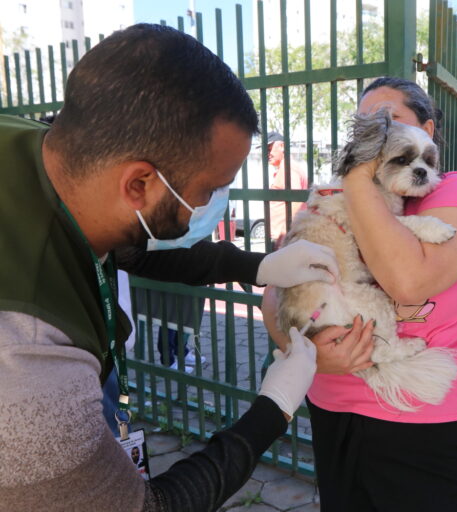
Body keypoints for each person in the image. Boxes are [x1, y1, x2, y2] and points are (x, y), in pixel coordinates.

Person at [0, 23, 341, 511]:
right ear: (138, 183)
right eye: (210, 189)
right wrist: (274, 408)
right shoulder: (27, 360)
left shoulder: (51, 156)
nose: (214, 204)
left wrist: (259, 266)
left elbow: (131, 250)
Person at [262, 76, 457, 512]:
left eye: (388, 120)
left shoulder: (455, 191)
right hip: (336, 405)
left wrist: (356, 181)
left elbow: (408, 281)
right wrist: (305, 349)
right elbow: (280, 292)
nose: (374, 134)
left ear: (426, 131)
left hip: (426, 421)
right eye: (365, 125)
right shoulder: (333, 197)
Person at [266, 131, 308, 247]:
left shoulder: (287, 167)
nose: (267, 153)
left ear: (282, 146)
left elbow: (295, 200)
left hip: (286, 237)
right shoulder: (287, 167)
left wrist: (284, 233)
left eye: (269, 149)